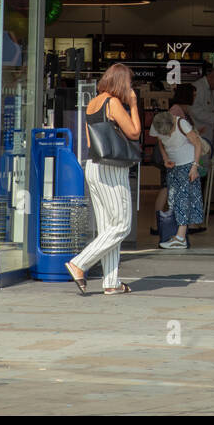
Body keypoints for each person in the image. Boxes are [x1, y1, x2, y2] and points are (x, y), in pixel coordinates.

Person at [66, 64, 141, 295]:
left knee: (108, 228)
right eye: (128, 82)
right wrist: (134, 104)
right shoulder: (114, 103)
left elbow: (91, 142)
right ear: (121, 82)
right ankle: (80, 263)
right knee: (121, 225)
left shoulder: (93, 103)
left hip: (93, 166)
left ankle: (111, 282)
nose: (130, 87)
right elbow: (135, 132)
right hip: (111, 169)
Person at [150, 107, 206, 250]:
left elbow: (197, 143)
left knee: (183, 200)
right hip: (173, 166)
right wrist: (165, 158)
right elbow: (160, 143)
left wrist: (195, 166)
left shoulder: (182, 124)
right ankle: (179, 236)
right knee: (173, 199)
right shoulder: (157, 125)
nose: (167, 135)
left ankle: (180, 238)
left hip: (187, 165)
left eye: (169, 133)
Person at [189, 66, 214, 142]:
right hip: (198, 133)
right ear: (213, 77)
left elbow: (210, 109)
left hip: (207, 134)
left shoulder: (211, 88)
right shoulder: (197, 87)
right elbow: (194, 111)